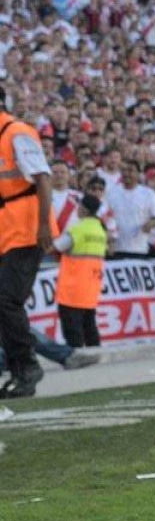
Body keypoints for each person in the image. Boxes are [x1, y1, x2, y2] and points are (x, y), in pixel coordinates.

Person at [2, 84, 59, 397]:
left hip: (26, 229)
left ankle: (27, 365)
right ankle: (18, 370)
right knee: (4, 302)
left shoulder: (17, 133)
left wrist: (44, 224)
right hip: (7, 231)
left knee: (7, 300)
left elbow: (42, 178)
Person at [53, 194, 109, 350]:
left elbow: (55, 247)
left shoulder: (78, 229)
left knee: (73, 330)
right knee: (89, 325)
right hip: (91, 286)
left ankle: (78, 357)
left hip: (73, 287)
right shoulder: (100, 230)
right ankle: (95, 354)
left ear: (84, 209)